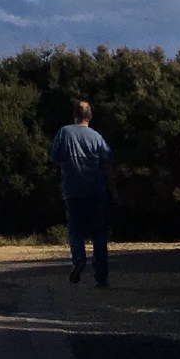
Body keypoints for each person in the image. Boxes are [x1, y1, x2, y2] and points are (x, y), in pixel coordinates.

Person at [49, 99, 113, 287]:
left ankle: (78, 258)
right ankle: (101, 276)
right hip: (95, 190)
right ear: (89, 116)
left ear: (75, 115)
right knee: (99, 235)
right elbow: (107, 164)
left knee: (75, 230)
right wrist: (113, 190)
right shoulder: (97, 137)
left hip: (73, 189)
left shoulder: (64, 132)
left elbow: (54, 157)